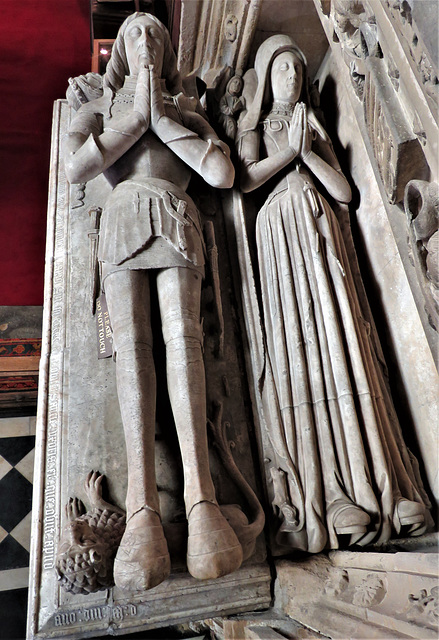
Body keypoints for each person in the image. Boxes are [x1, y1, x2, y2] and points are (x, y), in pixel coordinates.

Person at [63, 12, 242, 591]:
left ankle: (201, 502)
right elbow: (76, 169)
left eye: (155, 36)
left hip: (174, 211)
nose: (144, 41)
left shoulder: (185, 111)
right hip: (120, 216)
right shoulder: (99, 108)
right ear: (119, 51)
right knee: (135, 347)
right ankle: (140, 511)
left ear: (166, 52)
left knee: (182, 340)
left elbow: (218, 173)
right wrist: (136, 114)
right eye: (135, 34)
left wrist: (162, 118)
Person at [237, 34, 431, 553]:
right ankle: (333, 494)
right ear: (266, 77)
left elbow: (345, 191)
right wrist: (290, 153)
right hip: (280, 238)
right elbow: (246, 181)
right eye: (281, 71)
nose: (292, 80)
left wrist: (311, 154)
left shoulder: (313, 124)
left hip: (324, 235)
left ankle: (384, 480)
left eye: (298, 72)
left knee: (347, 346)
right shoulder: (257, 128)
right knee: (302, 355)